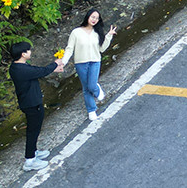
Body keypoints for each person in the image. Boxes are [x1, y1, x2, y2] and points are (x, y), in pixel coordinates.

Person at [9, 42, 63, 171]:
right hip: (32, 104)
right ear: (23, 54)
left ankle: (33, 152)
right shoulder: (23, 69)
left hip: (28, 102)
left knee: (34, 129)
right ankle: (30, 161)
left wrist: (53, 68)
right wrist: (55, 63)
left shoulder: (16, 67)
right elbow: (41, 71)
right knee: (33, 131)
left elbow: (36, 72)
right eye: (28, 50)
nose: (30, 52)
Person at [61, 9, 116, 121]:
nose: (94, 20)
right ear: (87, 17)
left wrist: (109, 36)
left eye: (97, 18)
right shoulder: (76, 32)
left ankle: (97, 90)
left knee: (91, 85)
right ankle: (91, 110)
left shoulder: (97, 33)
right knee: (86, 88)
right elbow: (70, 49)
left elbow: (102, 49)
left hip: (95, 61)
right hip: (81, 63)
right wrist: (63, 61)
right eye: (92, 17)